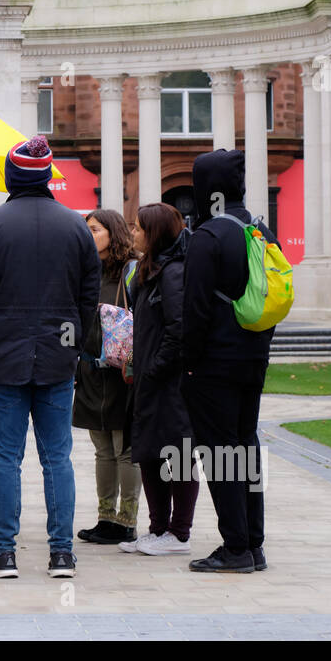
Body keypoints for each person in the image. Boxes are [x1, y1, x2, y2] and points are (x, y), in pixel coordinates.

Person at [0, 135, 101, 580]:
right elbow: (88, 298)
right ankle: (62, 552)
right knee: (56, 456)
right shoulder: (76, 226)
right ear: (46, 176)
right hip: (58, 357)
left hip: (2, 355)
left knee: (5, 457)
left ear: (11, 175)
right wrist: (73, 343)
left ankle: (3, 552)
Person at [179, 149, 275, 573]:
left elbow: (194, 310)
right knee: (246, 447)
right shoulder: (260, 230)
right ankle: (253, 543)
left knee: (220, 454)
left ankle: (235, 547)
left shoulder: (209, 235)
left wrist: (188, 363)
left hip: (213, 364)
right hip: (253, 358)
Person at [120, 202, 199, 557]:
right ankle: (157, 528)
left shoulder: (173, 272)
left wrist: (155, 369)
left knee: (177, 453)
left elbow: (179, 330)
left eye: (138, 227)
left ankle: (178, 532)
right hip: (148, 378)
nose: (133, 232)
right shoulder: (146, 271)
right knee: (149, 452)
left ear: (154, 233)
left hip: (169, 381)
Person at [73, 208, 140, 546]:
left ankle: (127, 521)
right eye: (87, 229)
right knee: (102, 449)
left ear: (114, 233)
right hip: (89, 369)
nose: (89, 235)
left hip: (122, 371)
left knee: (124, 447)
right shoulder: (86, 270)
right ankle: (105, 517)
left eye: (96, 229)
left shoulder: (132, 269)